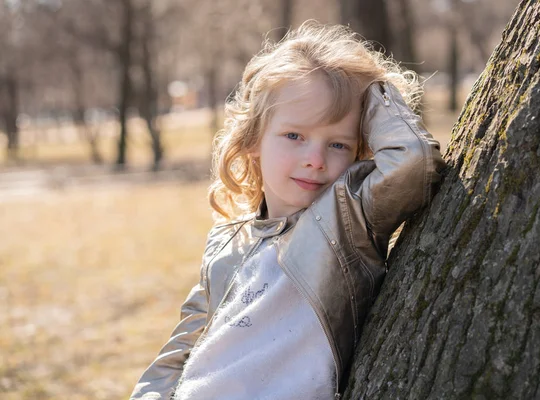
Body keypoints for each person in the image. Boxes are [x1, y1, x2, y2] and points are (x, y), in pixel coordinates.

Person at [131, 21, 445, 400]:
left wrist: (371, 88)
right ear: (252, 141)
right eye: (294, 136)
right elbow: (177, 356)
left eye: (338, 145)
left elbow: (413, 160)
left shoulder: (348, 220)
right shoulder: (226, 241)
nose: (315, 159)